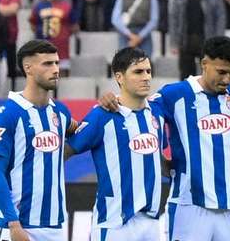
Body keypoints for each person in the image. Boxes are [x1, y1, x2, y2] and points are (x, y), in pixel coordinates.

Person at [150, 32, 230, 241]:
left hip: (228, 209)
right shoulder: (175, 95)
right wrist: (159, 158)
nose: (227, 79)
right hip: (188, 206)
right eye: (221, 72)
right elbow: (142, 117)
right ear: (204, 64)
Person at [73, 46, 178, 241]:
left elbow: (156, 158)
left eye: (148, 71)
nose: (146, 77)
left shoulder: (157, 112)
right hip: (114, 225)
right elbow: (65, 151)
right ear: (119, 77)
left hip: (151, 222)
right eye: (138, 72)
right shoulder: (102, 115)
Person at [0, 37, 74, 241]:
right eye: (47, 63)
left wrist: (110, 104)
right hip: (17, 226)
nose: (55, 69)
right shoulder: (8, 114)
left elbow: (83, 132)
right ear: (28, 68)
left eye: (56, 63)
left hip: (54, 227)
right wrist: (13, 224)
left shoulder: (61, 113)